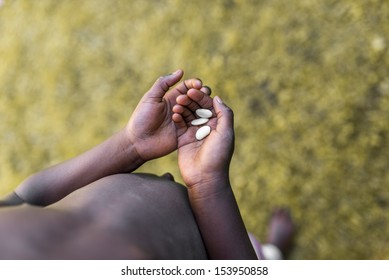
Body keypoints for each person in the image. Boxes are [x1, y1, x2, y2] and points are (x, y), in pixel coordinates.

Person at [0, 69, 258, 259]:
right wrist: (208, 184)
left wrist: (131, 145)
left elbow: (26, 196)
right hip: (216, 241)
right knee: (256, 250)